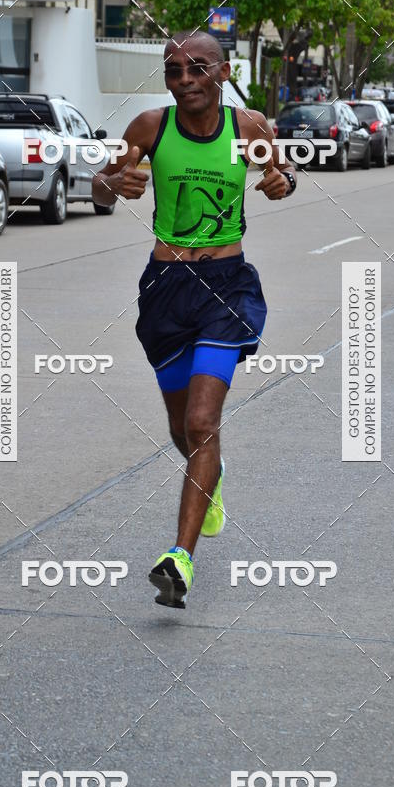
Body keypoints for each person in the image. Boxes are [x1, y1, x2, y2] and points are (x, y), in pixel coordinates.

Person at [92, 30, 297, 609]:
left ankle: (179, 558)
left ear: (223, 73)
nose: (185, 79)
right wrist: (115, 183)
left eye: (197, 68)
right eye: (173, 70)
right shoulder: (149, 129)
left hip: (226, 287)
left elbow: (279, 178)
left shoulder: (248, 130)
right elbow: (101, 188)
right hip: (165, 288)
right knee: (183, 430)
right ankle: (212, 478)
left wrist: (281, 182)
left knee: (204, 418)